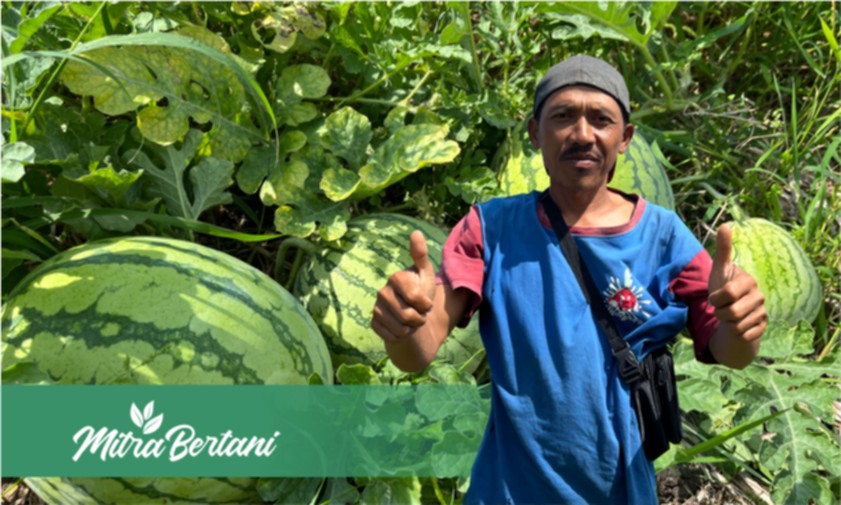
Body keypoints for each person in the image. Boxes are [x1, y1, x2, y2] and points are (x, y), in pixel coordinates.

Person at [370, 55, 766, 505]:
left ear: (625, 139)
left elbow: (732, 354)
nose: (582, 134)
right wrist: (403, 325)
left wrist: (740, 325)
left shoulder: (664, 237)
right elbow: (418, 352)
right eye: (563, 117)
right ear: (536, 132)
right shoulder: (490, 229)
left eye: (601, 119)